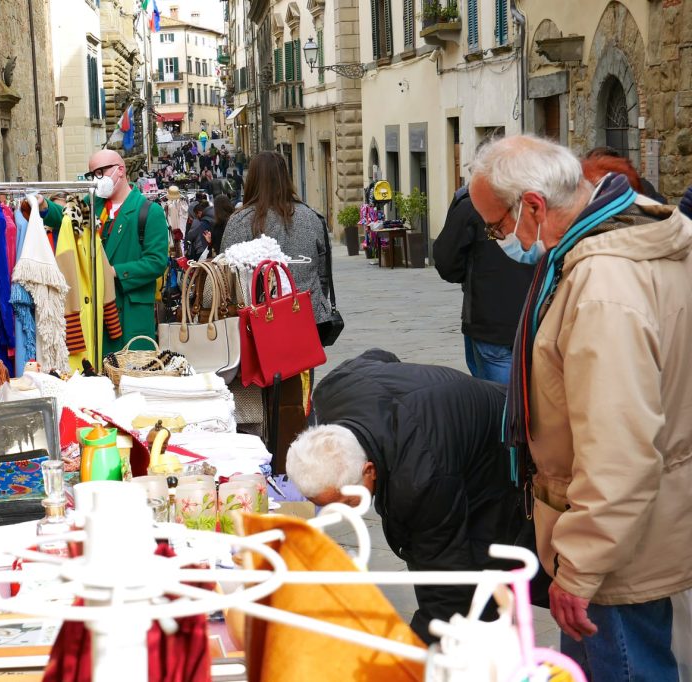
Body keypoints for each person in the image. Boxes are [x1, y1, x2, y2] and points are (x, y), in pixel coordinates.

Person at [470, 134, 692, 679]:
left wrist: (583, 566)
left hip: (616, 547)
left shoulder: (602, 285)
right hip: (632, 526)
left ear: (533, 207)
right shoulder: (625, 241)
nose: (498, 240)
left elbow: (621, 446)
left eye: (496, 227)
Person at [286, 349, 531, 643]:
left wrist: (411, 653)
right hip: (452, 426)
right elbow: (380, 356)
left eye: (346, 502)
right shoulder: (332, 392)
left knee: (478, 572)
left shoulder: (419, 480)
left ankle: (489, 650)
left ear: (369, 470)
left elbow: (447, 582)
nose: (340, 515)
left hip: (501, 451)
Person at [39, 149, 168, 355]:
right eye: (92, 174)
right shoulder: (92, 205)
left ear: (120, 171)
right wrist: (44, 206)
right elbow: (66, 217)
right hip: (96, 311)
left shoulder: (150, 211)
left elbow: (157, 262)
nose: (96, 179)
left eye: (101, 172)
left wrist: (113, 271)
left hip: (129, 313)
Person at [433, 186, 534, 383]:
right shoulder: (550, 197)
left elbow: (447, 261)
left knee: (496, 396)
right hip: (539, 314)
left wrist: (471, 275)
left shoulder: (472, 203)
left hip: (489, 316)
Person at [220, 151, 333, 326]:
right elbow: (323, 275)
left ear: (253, 180)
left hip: (258, 325)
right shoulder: (312, 218)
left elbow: (225, 278)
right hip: (309, 319)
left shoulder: (239, 221)